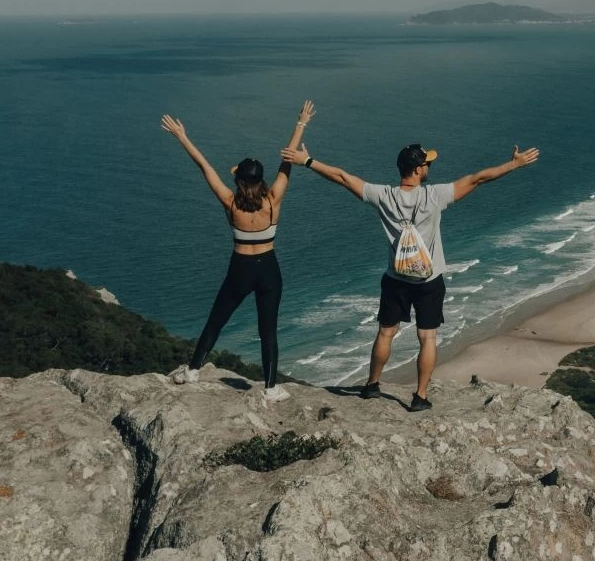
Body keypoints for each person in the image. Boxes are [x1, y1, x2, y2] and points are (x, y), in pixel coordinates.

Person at [282, 137, 539, 411]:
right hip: (428, 281)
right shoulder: (434, 195)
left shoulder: (384, 195)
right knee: (427, 337)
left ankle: (371, 386)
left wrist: (307, 161)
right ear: (417, 170)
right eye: (426, 163)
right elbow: (478, 179)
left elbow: (343, 177)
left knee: (385, 333)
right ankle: (420, 396)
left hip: (395, 280)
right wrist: (514, 164)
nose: (429, 166)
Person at [160, 100, 316, 403]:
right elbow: (287, 163)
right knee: (268, 330)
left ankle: (193, 371)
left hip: (240, 268)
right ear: (260, 181)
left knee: (216, 320)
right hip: (269, 268)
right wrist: (301, 123)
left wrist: (182, 137)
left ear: (239, 180)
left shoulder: (230, 202)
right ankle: (270, 389)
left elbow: (204, 166)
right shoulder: (273, 201)